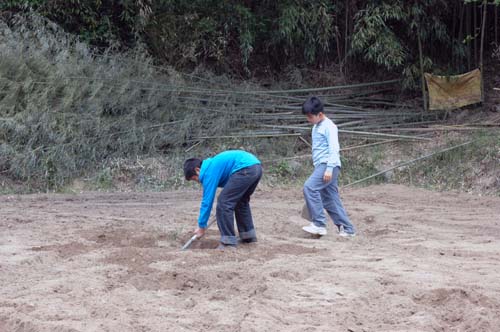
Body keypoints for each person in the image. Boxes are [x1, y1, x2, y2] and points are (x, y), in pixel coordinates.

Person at [183, 150, 262, 249]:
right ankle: (248, 236)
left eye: (195, 179)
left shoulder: (208, 172)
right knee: (241, 201)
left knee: (224, 202)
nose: (197, 182)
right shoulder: (212, 165)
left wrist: (201, 226)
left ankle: (228, 242)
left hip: (245, 169)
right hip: (256, 167)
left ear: (198, 170)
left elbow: (207, 201)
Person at [301, 96, 356, 237]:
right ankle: (348, 229)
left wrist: (329, 168)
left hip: (328, 165)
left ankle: (319, 224)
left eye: (310, 116)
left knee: (309, 187)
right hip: (322, 165)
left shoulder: (329, 126)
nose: (308, 119)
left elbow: (334, 148)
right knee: (330, 199)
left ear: (320, 114)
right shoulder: (316, 126)